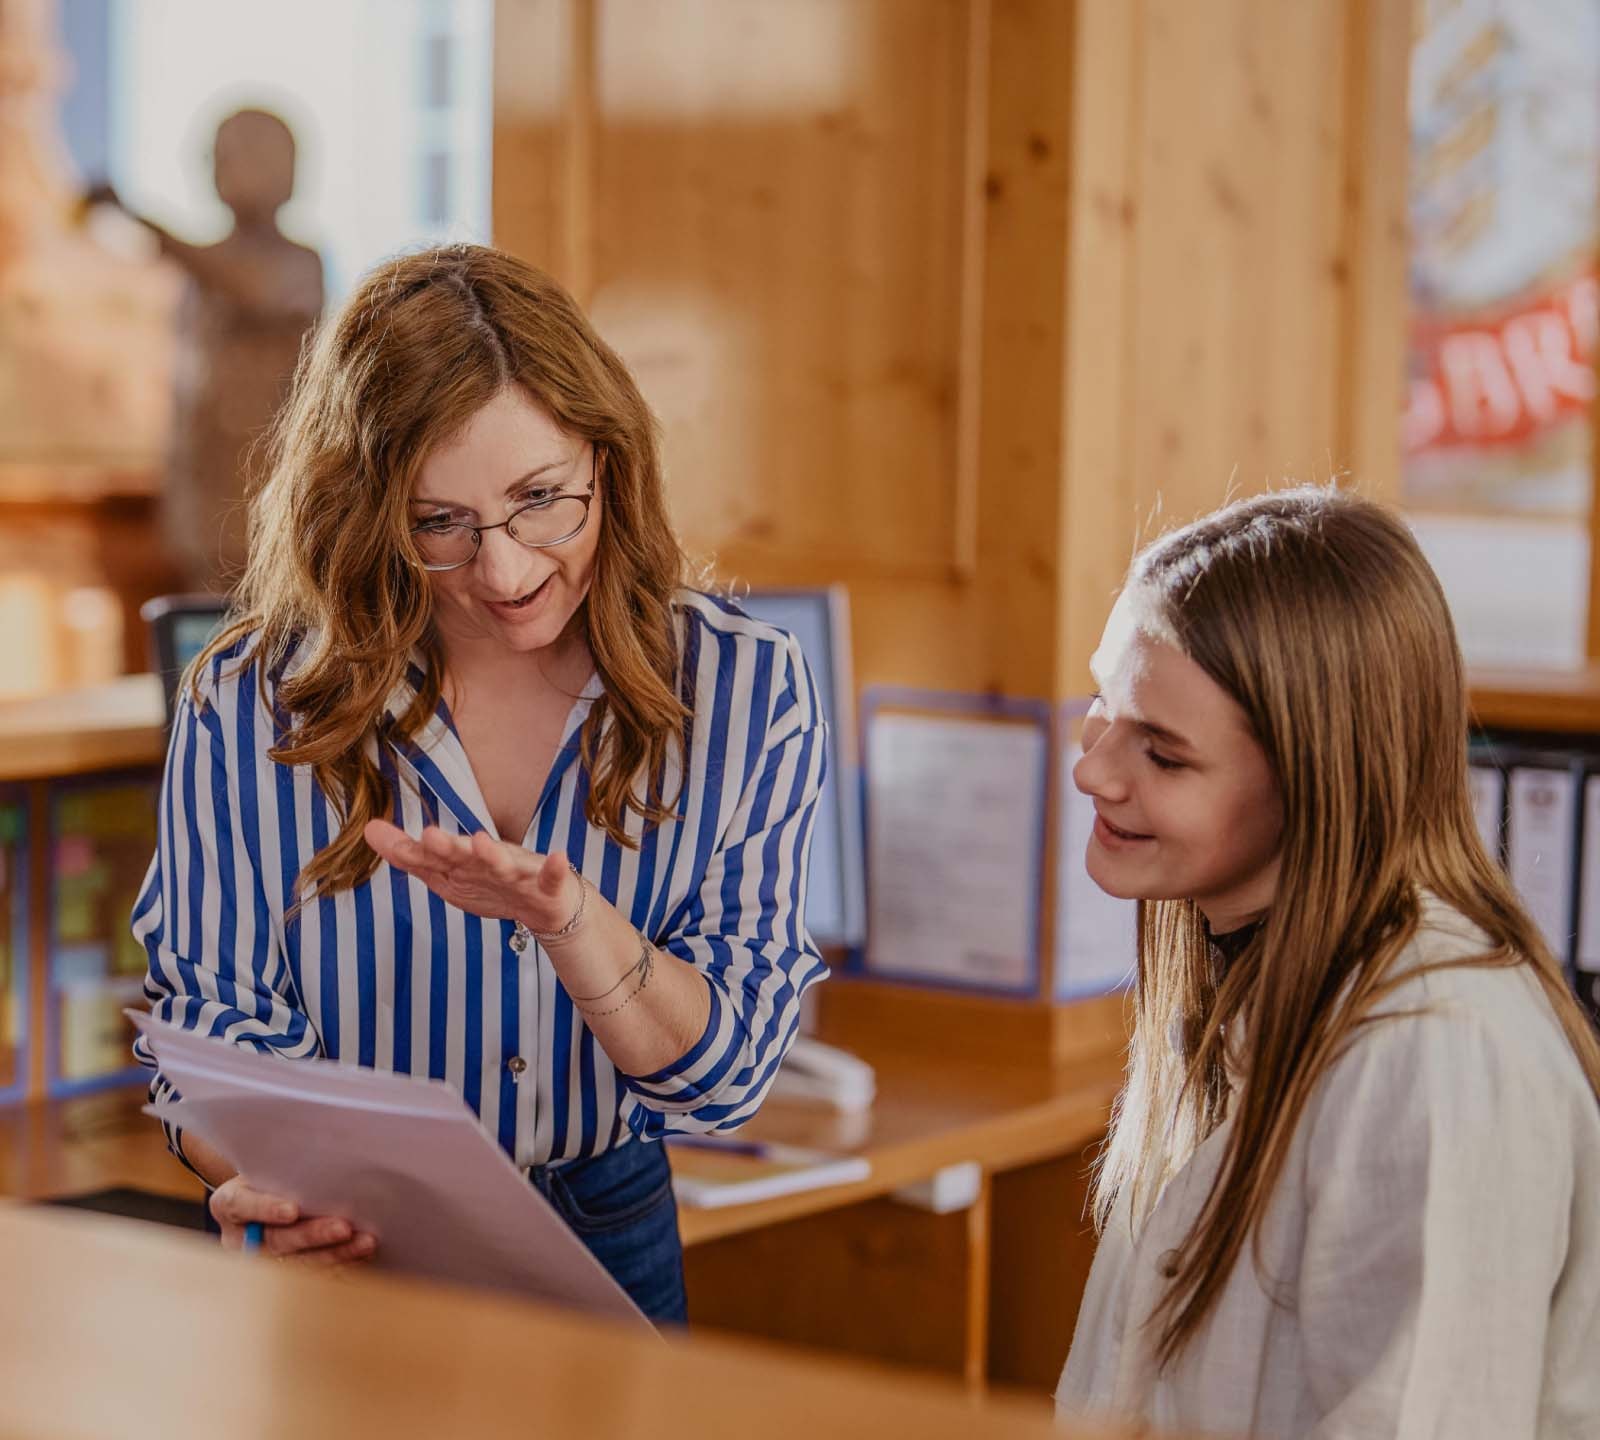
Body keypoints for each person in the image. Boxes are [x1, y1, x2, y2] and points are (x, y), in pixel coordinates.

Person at [132, 243, 829, 1323]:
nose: (501, 573)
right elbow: (215, 1031)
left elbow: (722, 1081)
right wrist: (264, 1183)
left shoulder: (742, 687)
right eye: (437, 524)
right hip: (343, 1235)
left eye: (541, 499)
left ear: (609, 459)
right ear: (368, 511)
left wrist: (576, 928)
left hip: (607, 1229)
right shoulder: (251, 695)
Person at [1056, 487, 1600, 1436]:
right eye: (1106, 701)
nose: (1093, 769)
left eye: (1165, 756)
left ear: (1315, 779)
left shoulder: (1434, 1057)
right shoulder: (1243, 974)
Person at [87, 108, 324, 592]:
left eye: (225, 156)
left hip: (264, 488)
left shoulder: (296, 263)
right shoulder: (203, 274)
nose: (212, 168)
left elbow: (249, 283)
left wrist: (137, 217)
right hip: (204, 489)